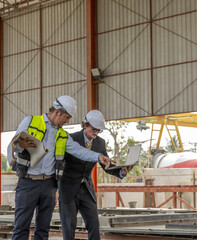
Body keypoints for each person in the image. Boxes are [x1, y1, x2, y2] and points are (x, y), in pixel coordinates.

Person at [7, 96, 114, 240]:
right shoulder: (30, 121)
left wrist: (98, 156)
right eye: (67, 117)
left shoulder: (62, 134)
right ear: (57, 112)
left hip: (49, 185)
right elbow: (12, 147)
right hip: (28, 182)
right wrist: (21, 146)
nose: (68, 121)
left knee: (43, 229)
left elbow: (78, 150)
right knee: (21, 227)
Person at [59, 110, 133, 240]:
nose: (96, 132)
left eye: (99, 130)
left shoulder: (100, 143)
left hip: (86, 189)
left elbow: (106, 164)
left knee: (94, 224)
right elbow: (59, 162)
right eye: (94, 129)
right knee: (69, 226)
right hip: (68, 188)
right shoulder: (71, 138)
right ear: (85, 125)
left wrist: (121, 171)